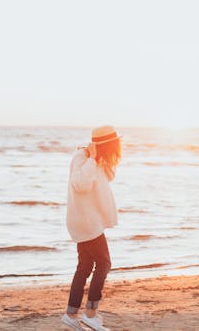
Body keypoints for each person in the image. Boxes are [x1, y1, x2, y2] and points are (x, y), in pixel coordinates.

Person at [61, 126, 122, 331]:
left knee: (85, 266)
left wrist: (100, 159)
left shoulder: (94, 160)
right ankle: (90, 314)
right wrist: (92, 158)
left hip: (88, 221)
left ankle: (71, 314)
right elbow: (81, 185)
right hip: (87, 222)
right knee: (104, 263)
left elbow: (109, 177)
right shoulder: (81, 158)